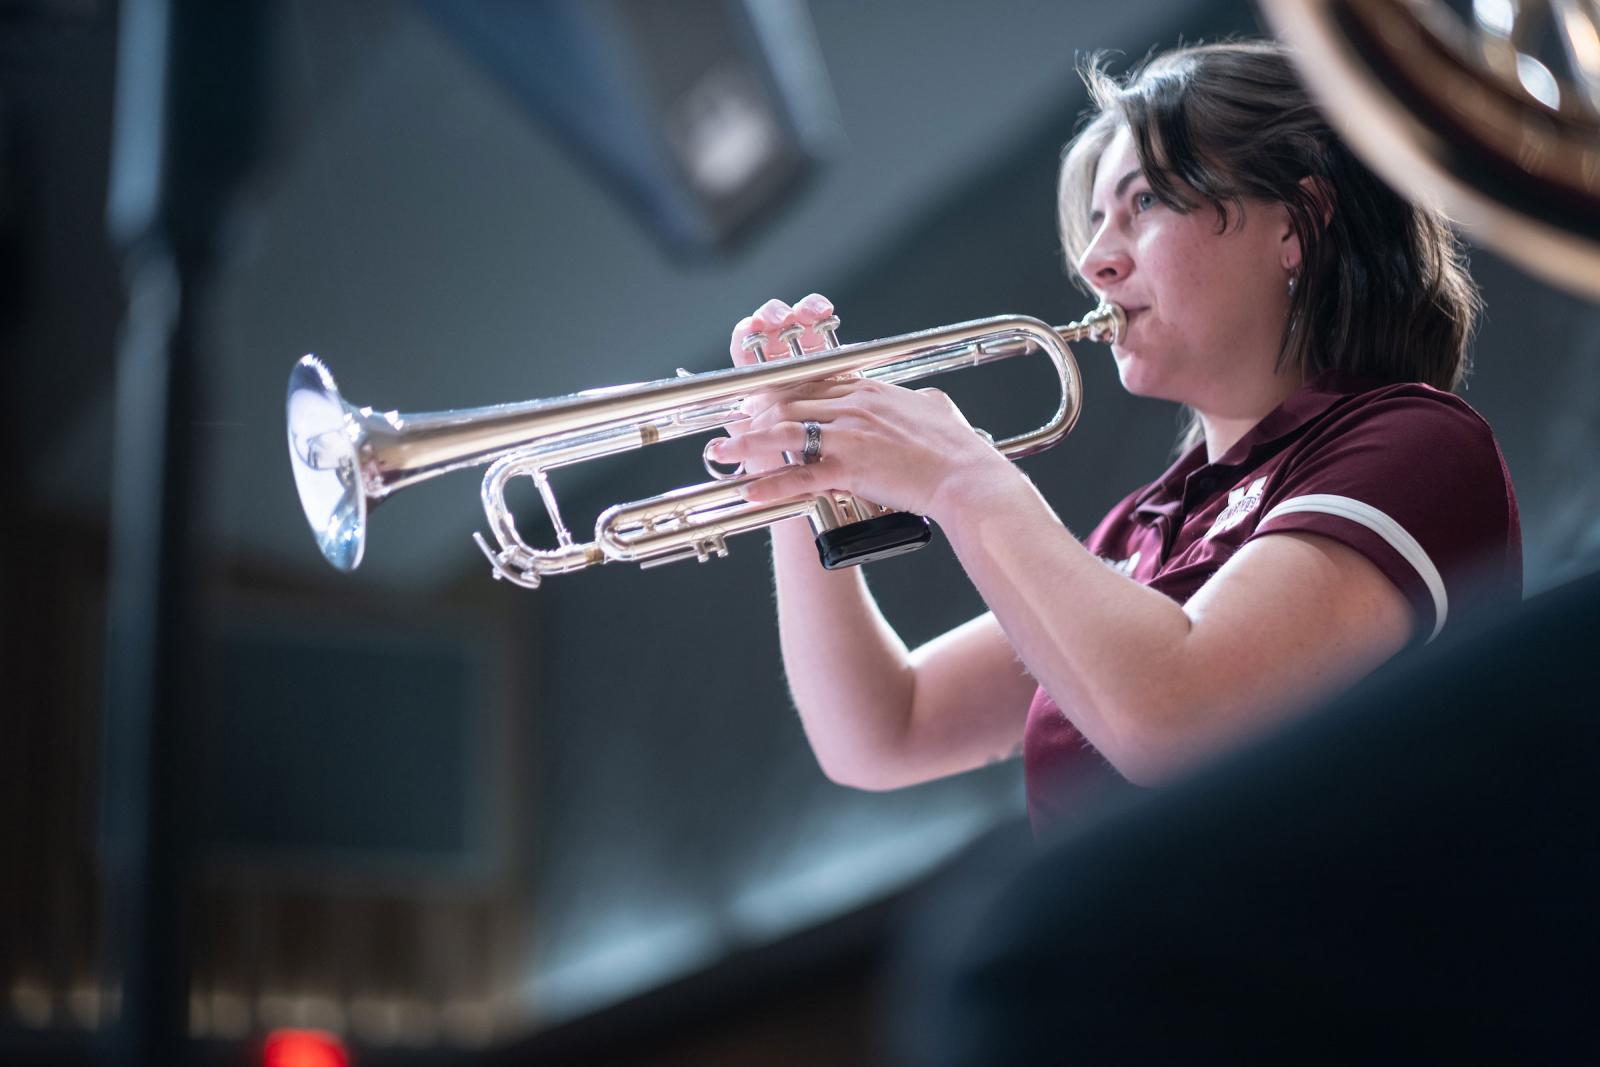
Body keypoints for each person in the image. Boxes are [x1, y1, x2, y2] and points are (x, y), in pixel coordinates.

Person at [704, 40, 1521, 833]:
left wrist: (961, 476)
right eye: (1096, 220)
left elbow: (1180, 718)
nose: (1094, 260)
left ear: (1297, 224)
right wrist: (800, 475)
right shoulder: (1137, 532)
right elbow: (885, 729)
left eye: (1145, 202)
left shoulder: (1413, 442)